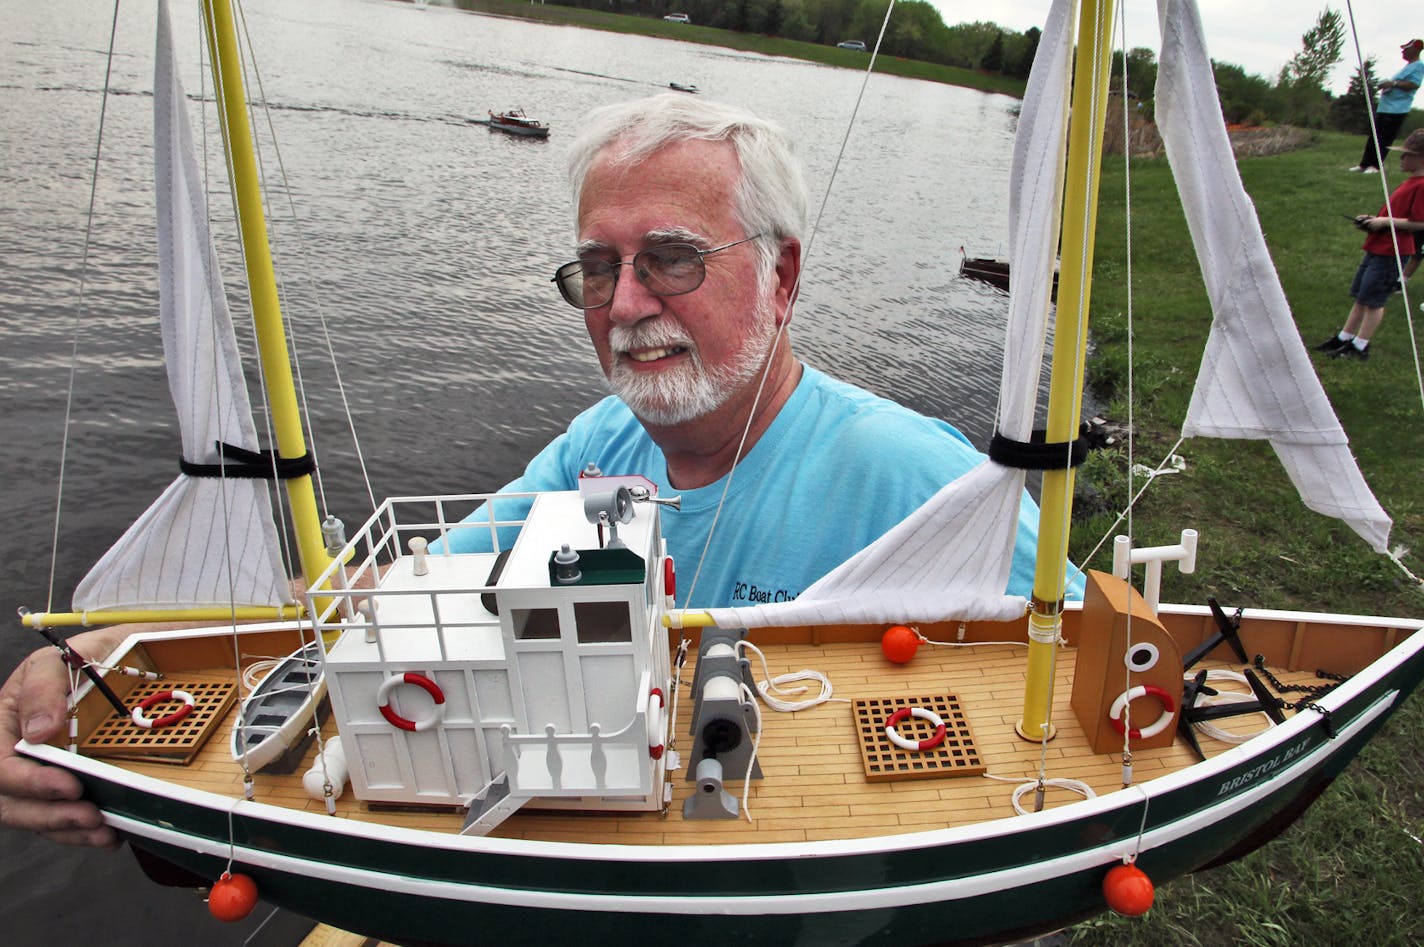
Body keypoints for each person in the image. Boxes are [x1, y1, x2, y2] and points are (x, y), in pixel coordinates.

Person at [0, 94, 1069, 848]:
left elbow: (1074, 702)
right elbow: (386, 599)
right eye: (597, 267)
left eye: (672, 258)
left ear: (782, 275)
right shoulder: (595, 446)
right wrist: (126, 654)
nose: (625, 306)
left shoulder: (920, 480)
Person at [1320, 127, 1424, 360]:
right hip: (1379, 246)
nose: (1401, 158)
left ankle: (1360, 345)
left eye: (1407, 154)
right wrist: (1371, 221)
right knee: (1362, 295)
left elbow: (1420, 223)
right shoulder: (1411, 182)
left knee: (1374, 301)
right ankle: (1344, 338)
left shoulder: (1421, 185)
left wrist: (1385, 222)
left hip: (1393, 251)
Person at [1348, 38, 1424, 174]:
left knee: (1384, 138)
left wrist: (1393, 84)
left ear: (1415, 49)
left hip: (1397, 109)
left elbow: (1414, 84)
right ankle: (1364, 164)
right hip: (1386, 107)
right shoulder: (1408, 67)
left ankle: (1375, 166)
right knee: (1374, 136)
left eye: (1406, 48)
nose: (1403, 51)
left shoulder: (1418, 66)